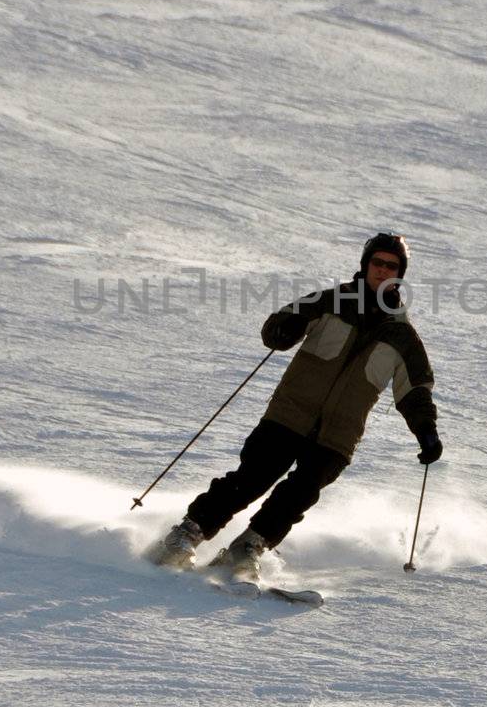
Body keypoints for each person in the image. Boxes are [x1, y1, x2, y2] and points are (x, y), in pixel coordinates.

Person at [153, 232, 442, 582]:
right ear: (365, 265)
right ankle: (187, 534)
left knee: (299, 495)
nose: (382, 270)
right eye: (377, 262)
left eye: (391, 266)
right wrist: (283, 330)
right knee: (252, 478)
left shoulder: (403, 337)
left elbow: (414, 392)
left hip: (339, 434)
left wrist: (426, 432)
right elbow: (279, 324)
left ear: (400, 274)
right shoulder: (331, 301)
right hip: (289, 414)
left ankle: (248, 547)